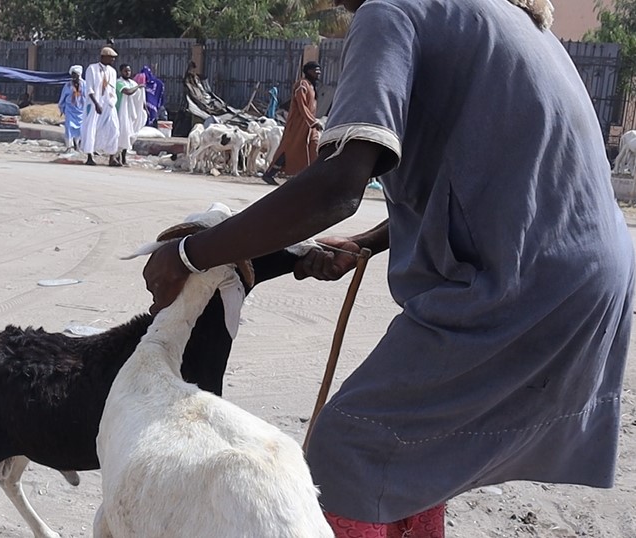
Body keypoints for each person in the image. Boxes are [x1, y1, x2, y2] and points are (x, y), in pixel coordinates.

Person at [142, 1, 634, 537]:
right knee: (413, 455)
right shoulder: (494, 17)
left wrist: (190, 254)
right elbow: (496, 175)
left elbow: (338, 188)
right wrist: (369, 242)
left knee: (349, 450)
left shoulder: (391, 10)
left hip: (524, 279)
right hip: (585, 269)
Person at [261, 61, 323, 185]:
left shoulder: (311, 86)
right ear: (308, 71)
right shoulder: (302, 85)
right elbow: (301, 105)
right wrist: (312, 121)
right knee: (289, 148)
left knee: (313, 146)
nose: (318, 73)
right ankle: (270, 173)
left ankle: (312, 176)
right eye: (315, 71)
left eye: (319, 71)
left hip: (309, 126)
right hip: (298, 124)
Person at [80, 46, 120, 167]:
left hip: (109, 104)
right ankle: (90, 156)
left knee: (114, 129)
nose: (113, 60)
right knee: (92, 129)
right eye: (111, 57)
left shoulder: (112, 71)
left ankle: (112, 157)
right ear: (103, 57)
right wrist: (96, 104)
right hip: (94, 105)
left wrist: (112, 102)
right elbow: (89, 89)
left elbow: (112, 89)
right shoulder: (92, 69)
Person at [115, 64, 147, 166]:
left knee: (128, 135)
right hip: (121, 113)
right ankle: (116, 157)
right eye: (125, 71)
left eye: (129, 71)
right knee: (121, 134)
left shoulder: (132, 83)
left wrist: (144, 107)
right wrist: (138, 86)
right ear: (121, 72)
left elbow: (139, 96)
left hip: (130, 113)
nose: (127, 73)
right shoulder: (119, 82)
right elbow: (128, 92)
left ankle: (124, 158)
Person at [59, 65, 87, 151]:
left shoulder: (85, 84)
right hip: (70, 110)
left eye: (76, 74)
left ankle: (77, 144)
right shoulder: (68, 85)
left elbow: (88, 97)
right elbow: (63, 97)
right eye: (73, 74)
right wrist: (62, 108)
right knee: (68, 128)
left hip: (81, 110)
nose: (74, 76)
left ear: (79, 75)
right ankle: (68, 146)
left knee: (80, 128)